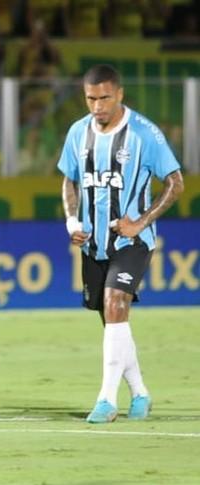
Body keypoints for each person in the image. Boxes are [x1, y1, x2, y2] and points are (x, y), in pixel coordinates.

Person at [59, 64, 183, 424]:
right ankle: (140, 392)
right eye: (90, 98)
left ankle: (106, 400)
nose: (97, 106)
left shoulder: (145, 134)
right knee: (113, 321)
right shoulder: (77, 133)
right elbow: (69, 180)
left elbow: (176, 183)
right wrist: (71, 220)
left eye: (104, 98)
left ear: (120, 94)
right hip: (91, 244)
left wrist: (140, 222)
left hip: (133, 241)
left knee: (115, 304)